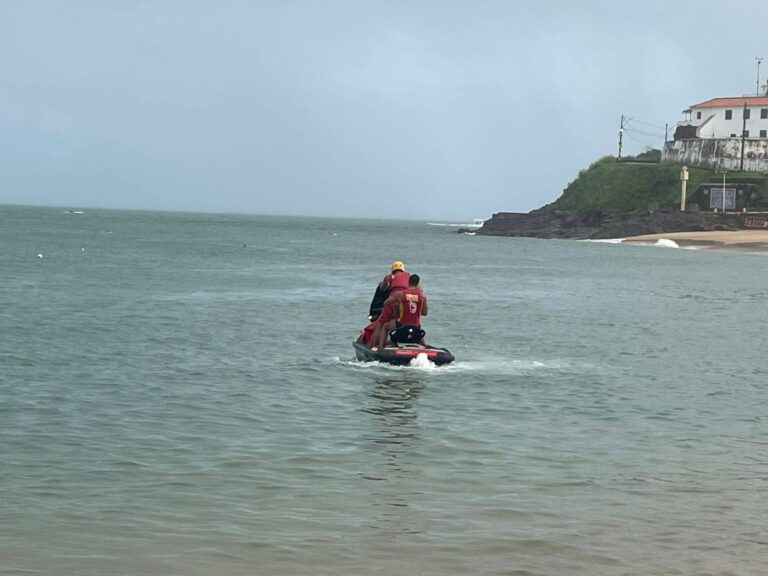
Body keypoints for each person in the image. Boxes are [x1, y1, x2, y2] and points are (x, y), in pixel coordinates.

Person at [373, 273, 428, 350]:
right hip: (416, 326)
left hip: (401, 325)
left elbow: (385, 303)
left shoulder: (400, 294)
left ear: (408, 282)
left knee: (385, 326)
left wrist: (398, 303)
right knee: (419, 326)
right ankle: (425, 345)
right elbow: (425, 313)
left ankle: (381, 347)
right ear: (418, 283)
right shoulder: (423, 296)